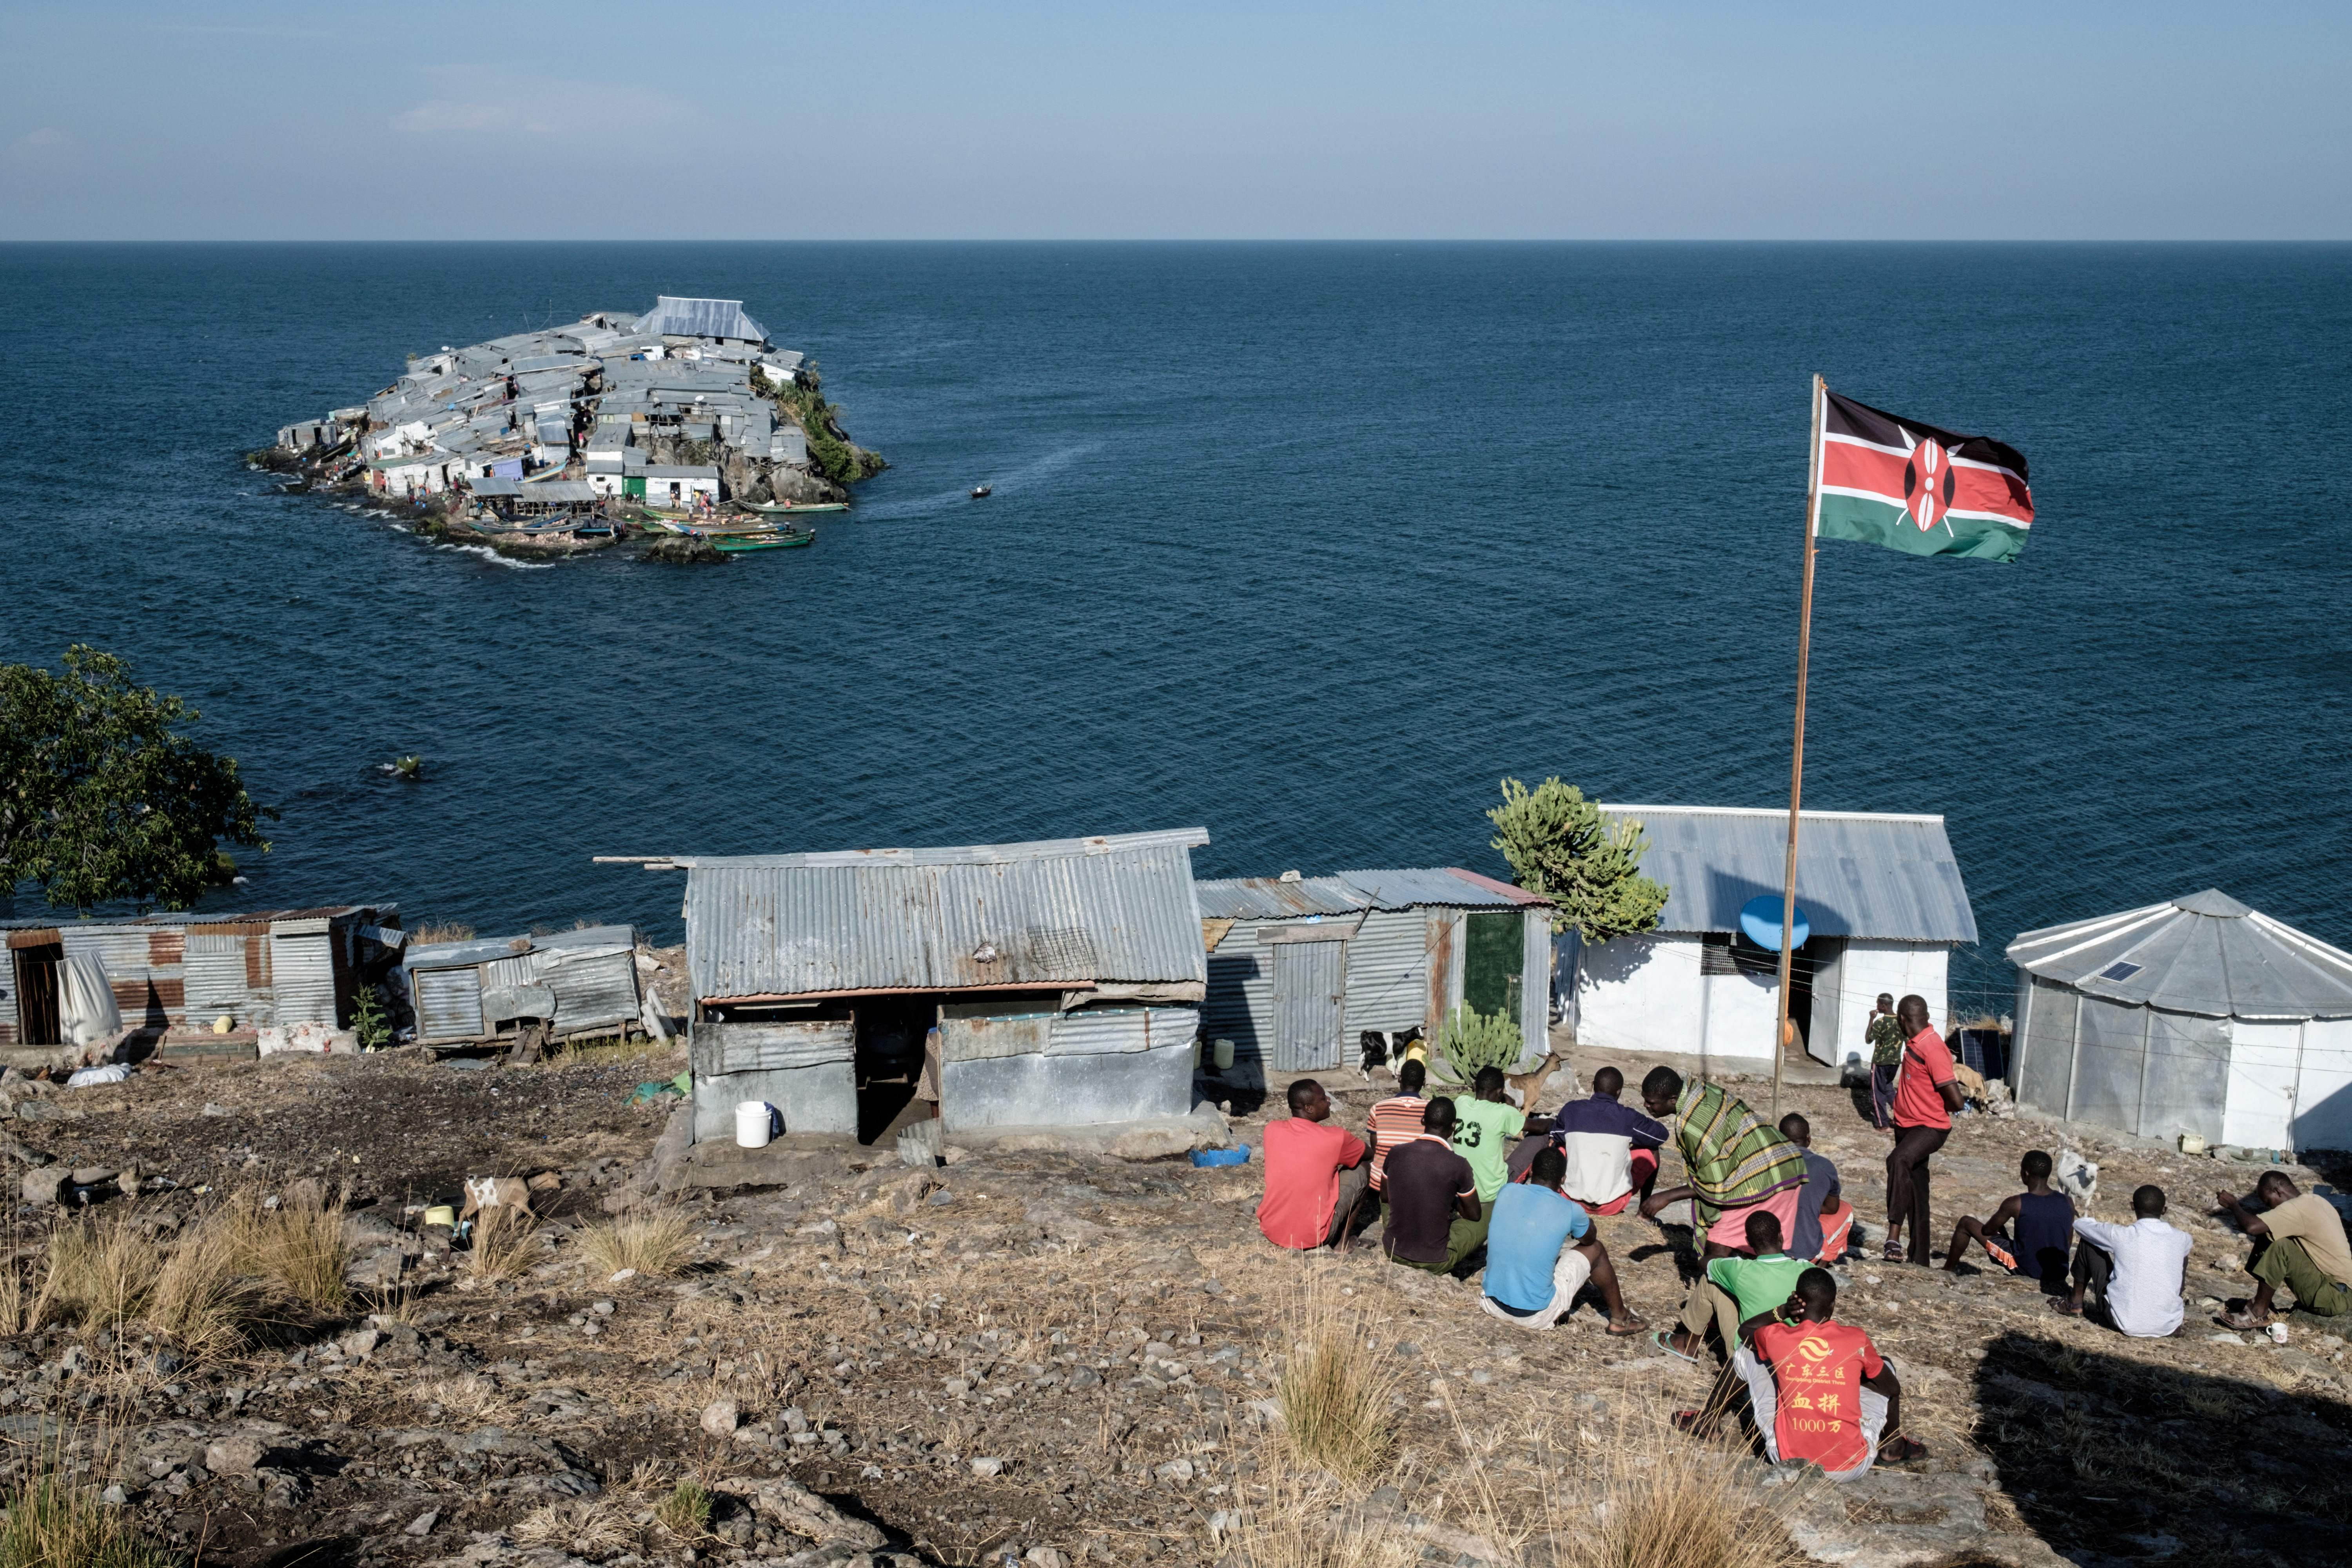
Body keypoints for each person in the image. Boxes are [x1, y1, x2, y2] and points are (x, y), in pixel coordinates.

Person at [1678, 1267, 1926, 1478]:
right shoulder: (1855, 1339)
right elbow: (1892, 1389)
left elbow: (1745, 1331)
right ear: (1832, 1305)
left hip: (1787, 1461)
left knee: (1745, 1353)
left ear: (1797, 1299)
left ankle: (1708, 1420)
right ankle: (1892, 1446)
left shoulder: (1777, 1337)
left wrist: (1783, 1311)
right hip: (1850, 1467)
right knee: (1884, 1365)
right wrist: (1848, 1380)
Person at [1481, 1146, 1646, 1335]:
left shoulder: (1507, 1191)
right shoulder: (1570, 1210)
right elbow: (1589, 1239)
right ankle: (1621, 1319)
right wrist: (1584, 1221)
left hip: (1491, 1302)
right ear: (1563, 1180)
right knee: (1597, 1250)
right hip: (1533, 1315)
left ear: (1532, 1171)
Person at [1664, 1209, 1810, 1361]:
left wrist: (1726, 1264)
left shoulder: (1740, 1270)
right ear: (1781, 1237)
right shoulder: (1807, 1269)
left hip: (1752, 1356)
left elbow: (1703, 1263)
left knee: (1710, 1282)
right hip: (1798, 1355)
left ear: (1749, 1243)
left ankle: (1688, 1345)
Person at [1883, 995, 1963, 1265]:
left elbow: (1957, 1100)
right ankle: (1920, 1260)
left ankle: (1893, 1235)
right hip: (1907, 1126)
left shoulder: (1933, 1048)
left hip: (1929, 1128)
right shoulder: (1916, 1042)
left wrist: (1932, 1109)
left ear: (1902, 1020)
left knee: (1898, 1160)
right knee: (1917, 1193)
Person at [2214, 1171, 2352, 1327]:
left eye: (2268, 1202)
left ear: (2278, 1192)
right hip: (2340, 1290)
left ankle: (2258, 1313)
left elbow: (2252, 1227)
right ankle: (2261, 1302)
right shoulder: (2315, 1201)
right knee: (2269, 1232)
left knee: (2280, 1245)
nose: (2269, 1207)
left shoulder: (2296, 1209)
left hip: (2335, 1296)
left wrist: (2234, 1206)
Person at [2062, 1184, 2192, 1336]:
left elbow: (2080, 1225)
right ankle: (2162, 1309)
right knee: (2182, 1254)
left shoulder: (2122, 1235)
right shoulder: (2183, 1238)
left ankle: (2075, 1303)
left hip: (2125, 1322)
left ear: (2132, 1207)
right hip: (2168, 1325)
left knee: (2089, 1241)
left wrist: (2094, 1223)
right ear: (2164, 1210)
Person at [1256, 1078, 1368, 1252]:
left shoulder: (1271, 1129)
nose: (1329, 1101)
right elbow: (1368, 1154)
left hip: (1272, 1229)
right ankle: (1342, 1243)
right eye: (1324, 1099)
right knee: (1363, 1168)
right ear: (1309, 1108)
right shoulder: (1336, 1138)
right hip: (1313, 1236)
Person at [1941, 1150, 2075, 1292]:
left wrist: (2001, 1231)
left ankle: (1947, 1270)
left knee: (1966, 1223)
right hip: (2058, 1274)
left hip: (2026, 1270)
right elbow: (2067, 1242)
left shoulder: (2016, 1203)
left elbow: (1987, 1230)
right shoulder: (2068, 1202)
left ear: (2026, 1174)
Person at [1544, 1066, 1670, 1215]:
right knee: (1651, 1148)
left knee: (1560, 1146)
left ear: (1592, 1086)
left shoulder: (1572, 1110)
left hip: (1571, 1199)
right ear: (1619, 1092)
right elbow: (1660, 1136)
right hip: (1612, 1205)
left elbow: (1555, 1134)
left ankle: (1549, 1198)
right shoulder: (1628, 1117)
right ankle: (1644, 1212)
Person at [1381, 1097, 1486, 1276]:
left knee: (1389, 1196)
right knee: (1486, 1217)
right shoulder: (1459, 1164)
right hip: (1435, 1261)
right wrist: (1451, 1201)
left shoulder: (1396, 1152)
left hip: (1394, 1250)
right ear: (1454, 1126)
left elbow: (1385, 1197)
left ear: (1423, 1120)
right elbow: (1474, 1214)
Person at [1778, 1113, 1853, 1265]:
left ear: (1780, 1139)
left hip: (1766, 1248)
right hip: (1805, 1252)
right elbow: (1833, 1208)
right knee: (1846, 1209)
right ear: (1809, 1138)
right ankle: (1822, 1264)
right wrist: (1808, 1204)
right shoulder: (1824, 1166)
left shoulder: (1767, 1162)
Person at [1452, 1066, 1529, 1205]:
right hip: (1491, 1193)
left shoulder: (1461, 1102)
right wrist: (1510, 1103)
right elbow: (1540, 1126)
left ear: (1475, 1086)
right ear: (1500, 1092)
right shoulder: (1503, 1112)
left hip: (1462, 1190)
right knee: (1541, 1137)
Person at [1364, 1057, 1430, 1196]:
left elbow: (1376, 1147)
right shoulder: (1431, 1110)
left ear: (1400, 1079)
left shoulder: (1378, 1108)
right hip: (1418, 1183)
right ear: (1424, 1083)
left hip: (1383, 1183)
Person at [1864, 993, 1904, 1130]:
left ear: (1884, 1006)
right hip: (1895, 1063)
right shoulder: (1901, 1021)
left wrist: (1871, 1019)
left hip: (1880, 1062)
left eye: (1878, 1004)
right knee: (1889, 1089)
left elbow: (1869, 1039)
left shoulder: (1880, 1022)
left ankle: (1882, 1124)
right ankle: (1901, 1119)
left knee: (1877, 1092)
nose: (1877, 1007)